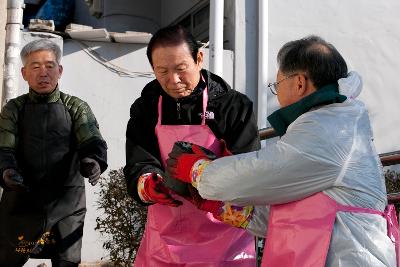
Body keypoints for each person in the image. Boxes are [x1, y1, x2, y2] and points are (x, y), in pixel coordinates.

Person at [167, 35, 398, 267]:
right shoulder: (332, 120)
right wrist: (220, 206)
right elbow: (287, 218)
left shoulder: (327, 128)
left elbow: (266, 170)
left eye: (277, 85)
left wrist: (199, 170)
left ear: (299, 83)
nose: (276, 94)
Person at [123, 24, 260, 266]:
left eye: (180, 69)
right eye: (162, 71)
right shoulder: (145, 108)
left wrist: (206, 175)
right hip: (165, 240)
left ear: (199, 59)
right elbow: (139, 160)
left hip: (225, 237)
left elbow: (247, 168)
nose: (173, 80)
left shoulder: (232, 106)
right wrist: (148, 183)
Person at [0, 39, 108, 267]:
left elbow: (91, 138)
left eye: (49, 66)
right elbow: (4, 147)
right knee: (8, 258)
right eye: (35, 67)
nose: (43, 73)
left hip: (68, 203)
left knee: (67, 261)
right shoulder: (13, 109)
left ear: (59, 71)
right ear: (24, 73)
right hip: (22, 200)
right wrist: (6, 171)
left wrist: (92, 160)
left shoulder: (77, 107)